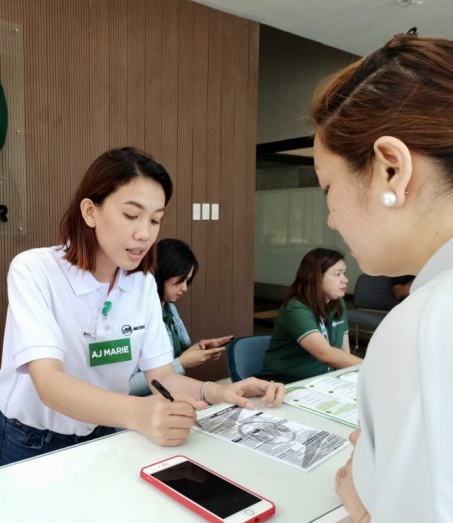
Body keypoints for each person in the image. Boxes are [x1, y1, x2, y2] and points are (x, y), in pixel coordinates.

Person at [0, 147, 284, 467]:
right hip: (33, 439)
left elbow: (162, 376)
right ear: (90, 211)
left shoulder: (142, 283)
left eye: (155, 219)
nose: (145, 234)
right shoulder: (35, 269)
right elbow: (48, 384)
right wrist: (139, 413)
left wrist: (220, 394)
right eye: (131, 215)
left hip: (105, 430)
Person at [310, 31, 453, 522]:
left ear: (391, 168)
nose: (330, 217)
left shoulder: (425, 327)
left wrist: (364, 505)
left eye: (327, 188)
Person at [129, 239, 233, 396]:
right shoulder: (133, 315)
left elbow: (174, 355)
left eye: (187, 281)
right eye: (180, 281)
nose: (184, 288)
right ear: (161, 274)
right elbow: (127, 387)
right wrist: (182, 363)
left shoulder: (169, 308)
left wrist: (196, 350)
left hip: (168, 397)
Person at [257, 248, 363, 383]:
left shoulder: (337, 303)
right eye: (338, 274)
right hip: (286, 384)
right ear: (316, 277)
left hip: (322, 382)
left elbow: (344, 352)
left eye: (344, 273)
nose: (345, 280)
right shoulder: (296, 307)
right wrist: (372, 367)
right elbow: (325, 354)